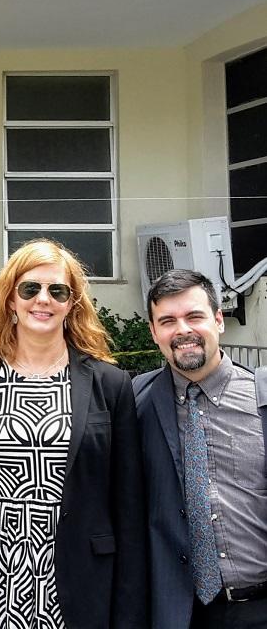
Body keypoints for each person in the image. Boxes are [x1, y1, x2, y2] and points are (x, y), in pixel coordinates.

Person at [0, 239, 147, 629]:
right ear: (10, 298)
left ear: (71, 303)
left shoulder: (110, 385)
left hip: (81, 577)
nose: (43, 299)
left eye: (56, 290)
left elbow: (128, 506)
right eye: (30, 288)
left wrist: (130, 607)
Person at [133, 269, 267, 629]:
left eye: (194, 316)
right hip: (180, 612)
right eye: (168, 321)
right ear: (153, 332)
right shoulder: (135, 404)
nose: (182, 330)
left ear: (219, 319)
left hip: (258, 605)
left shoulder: (261, 398)